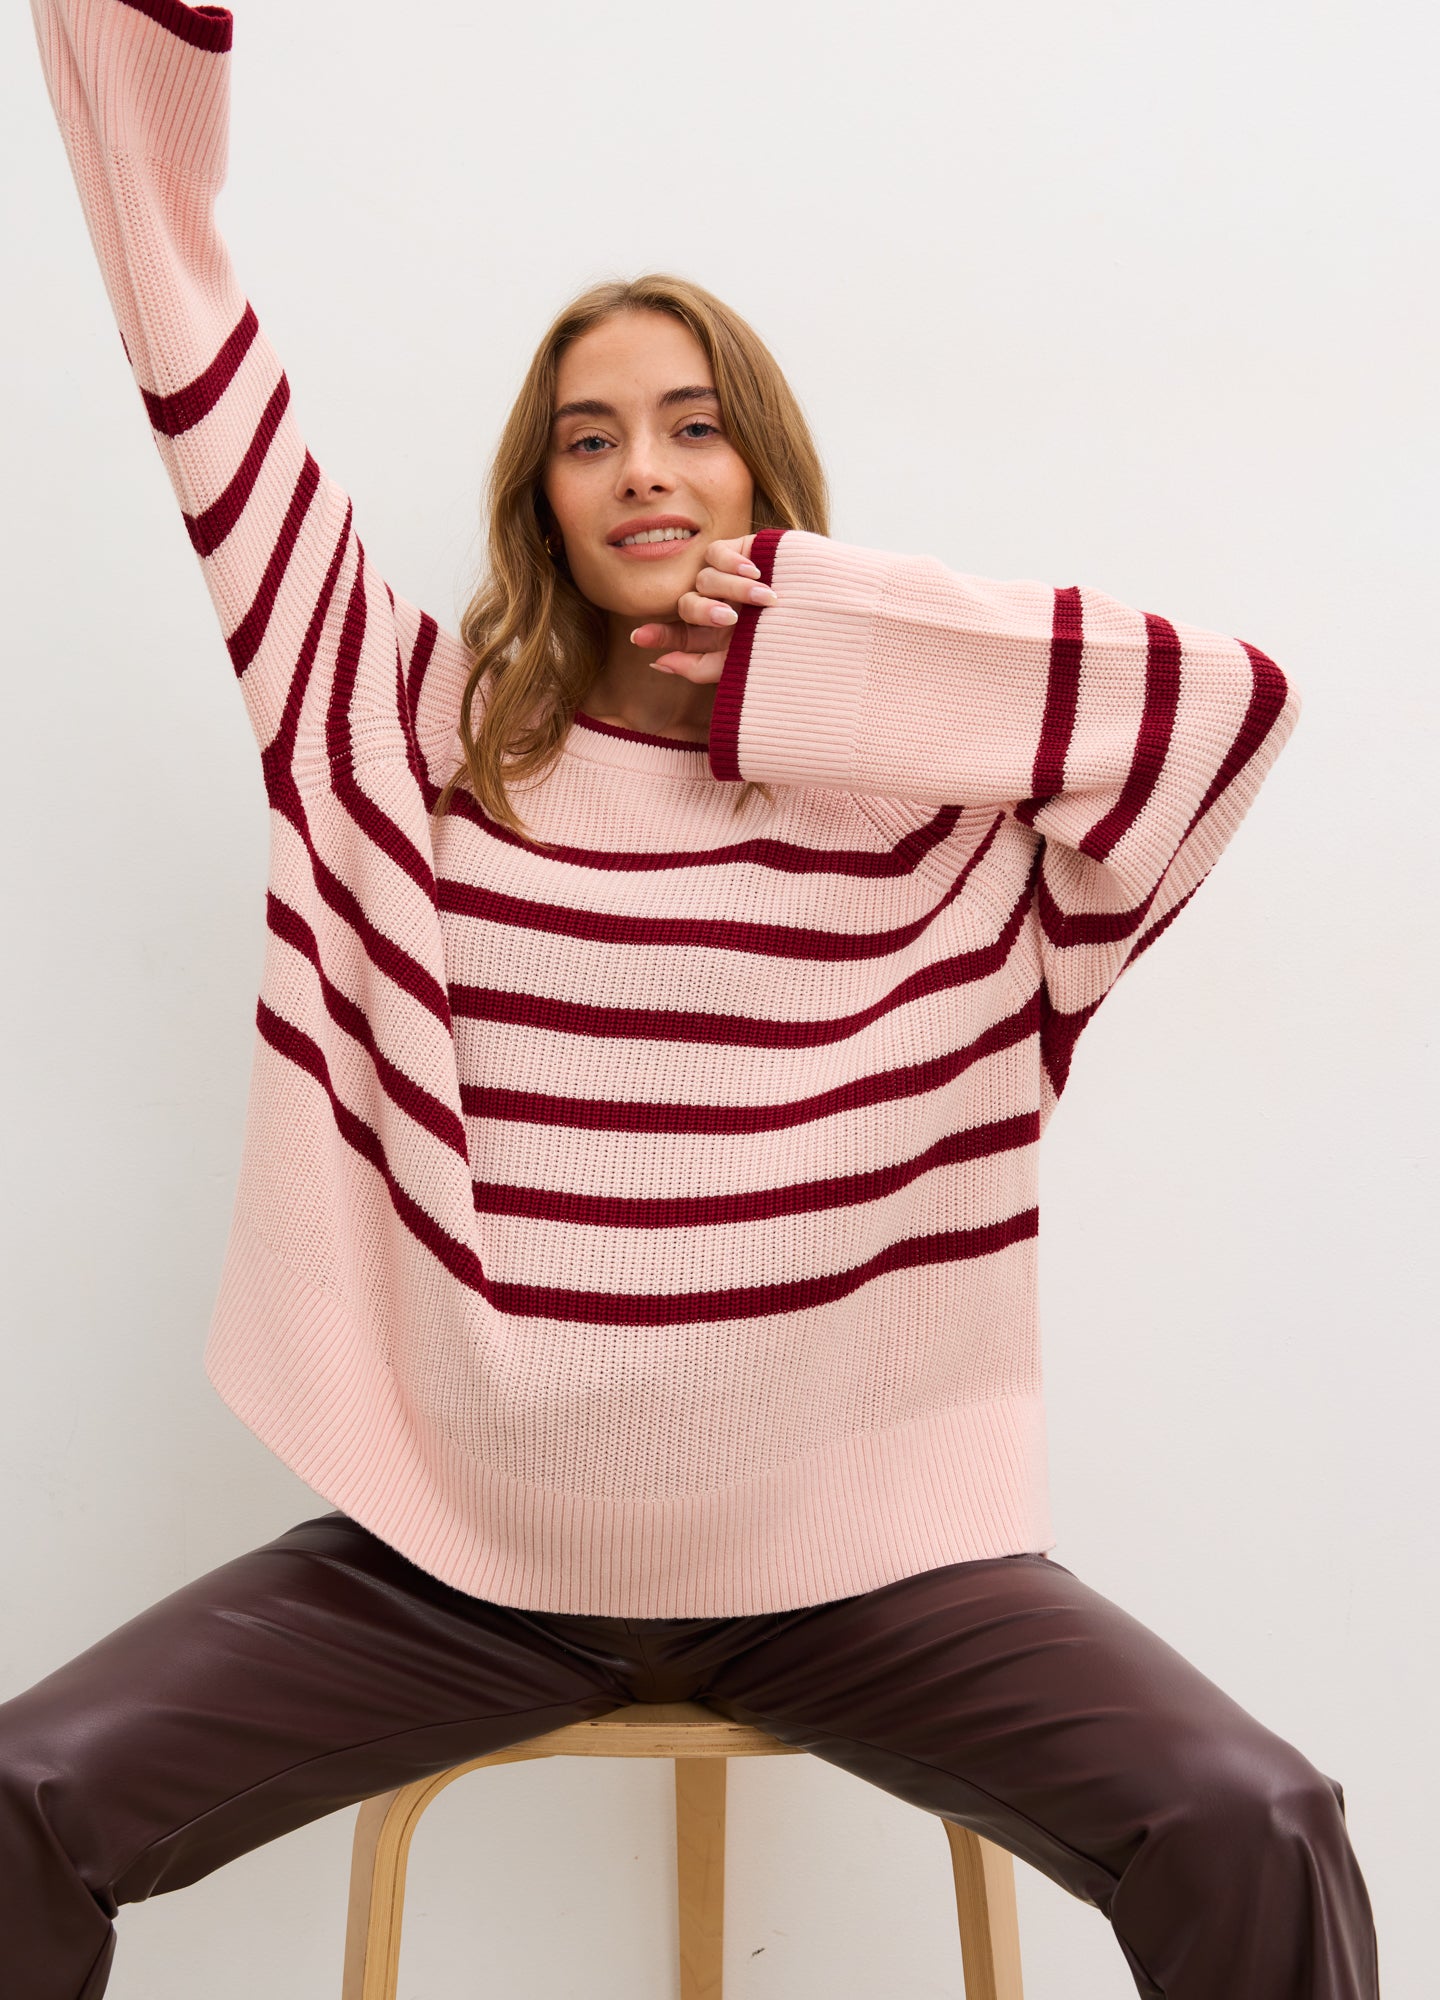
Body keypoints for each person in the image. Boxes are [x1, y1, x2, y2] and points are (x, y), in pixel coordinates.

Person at [6, 2, 1380, 1996]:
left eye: (689, 419)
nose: (638, 467)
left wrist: (837, 659)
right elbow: (188, 348)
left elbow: (1226, 714)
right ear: (539, 502)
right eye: (587, 434)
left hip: (870, 1584)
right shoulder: (399, 735)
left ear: (763, 468)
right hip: (462, 1577)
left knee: (1256, 1822)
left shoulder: (933, 820)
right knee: (24, 1793)